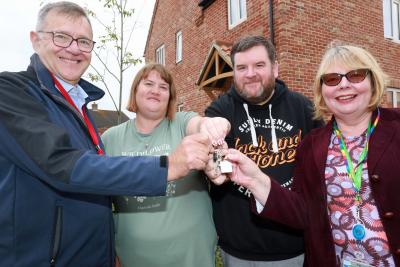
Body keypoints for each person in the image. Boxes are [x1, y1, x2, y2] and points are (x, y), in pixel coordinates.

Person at [0, 2, 221, 266]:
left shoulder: (79, 107)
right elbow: (64, 165)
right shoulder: (12, 91)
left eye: (83, 41)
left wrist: (214, 133)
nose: (73, 48)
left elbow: (101, 192)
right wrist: (169, 165)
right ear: (35, 40)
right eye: (61, 37)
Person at [224, 45, 399, 266]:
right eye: (332, 79)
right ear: (322, 90)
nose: (344, 84)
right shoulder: (312, 144)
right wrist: (254, 179)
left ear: (373, 81)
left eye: (355, 75)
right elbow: (303, 212)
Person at [205, 35, 324, 266]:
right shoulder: (219, 110)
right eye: (241, 67)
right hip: (238, 250)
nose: (250, 73)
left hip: (292, 246)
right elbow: (215, 160)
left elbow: (320, 176)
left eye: (259, 65)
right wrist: (212, 164)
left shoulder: (304, 109)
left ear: (275, 68)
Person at [101, 63, 230, 267]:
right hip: (133, 256)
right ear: (135, 91)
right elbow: (101, 202)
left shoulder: (181, 122)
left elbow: (199, 126)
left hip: (191, 255)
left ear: (170, 96)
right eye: (149, 83)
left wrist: (213, 126)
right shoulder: (110, 138)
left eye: (163, 87)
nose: (155, 90)